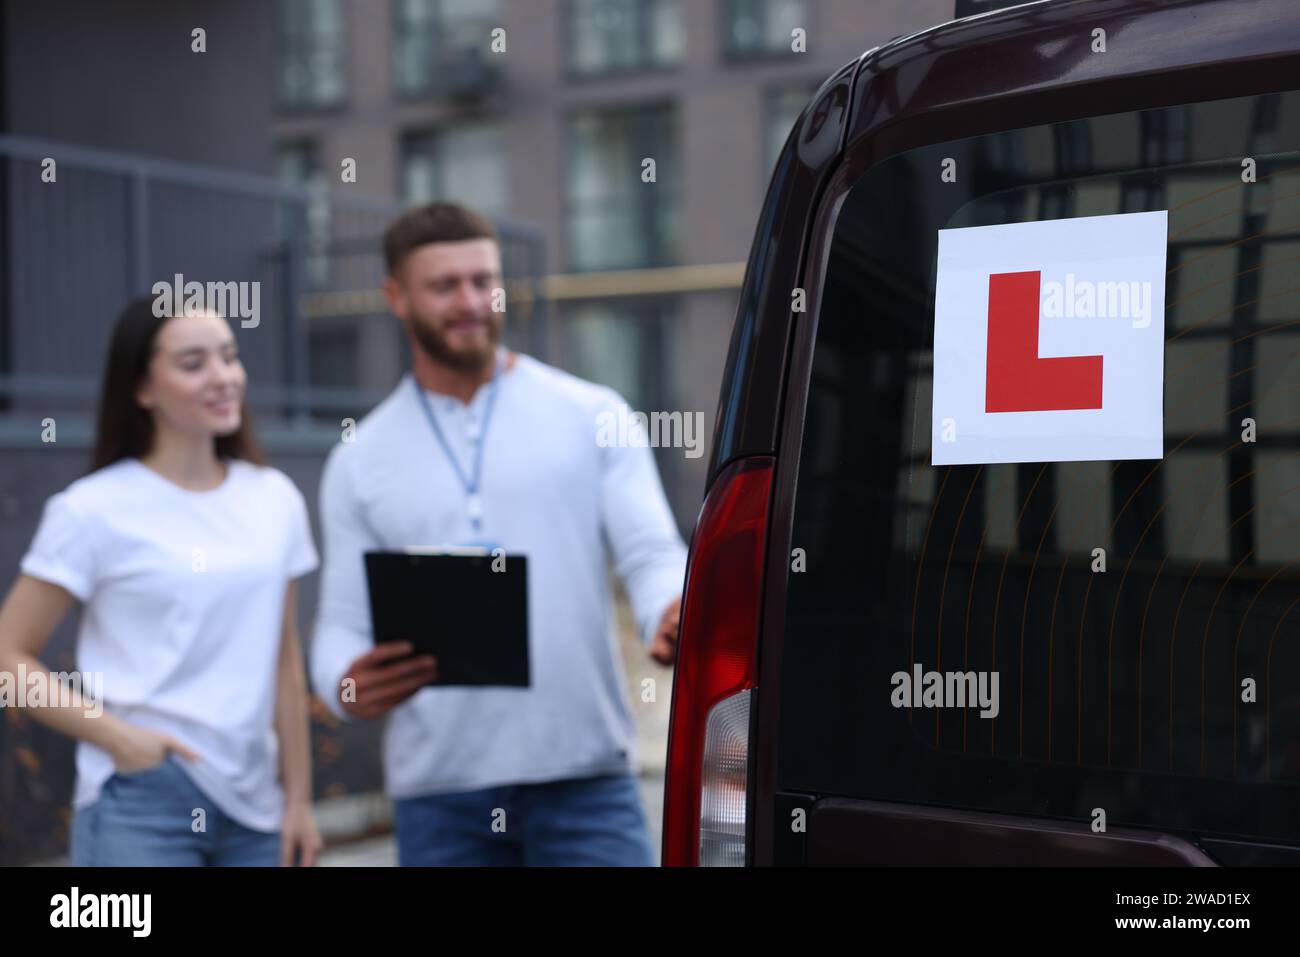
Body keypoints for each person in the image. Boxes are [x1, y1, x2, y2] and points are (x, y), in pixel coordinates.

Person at [310, 202, 687, 866]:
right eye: (444, 285)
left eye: (484, 280)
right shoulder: (359, 458)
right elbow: (339, 623)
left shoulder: (592, 413)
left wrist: (669, 610)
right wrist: (346, 685)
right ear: (395, 297)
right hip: (439, 796)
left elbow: (652, 553)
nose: (471, 301)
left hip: (586, 781)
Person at [0, 297, 323, 866]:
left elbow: (283, 659)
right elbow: (8, 657)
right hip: (142, 799)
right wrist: (121, 741)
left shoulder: (274, 499)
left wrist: (298, 800)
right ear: (142, 388)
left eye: (229, 357)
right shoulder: (91, 510)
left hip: (257, 809)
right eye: (194, 363)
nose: (223, 378)